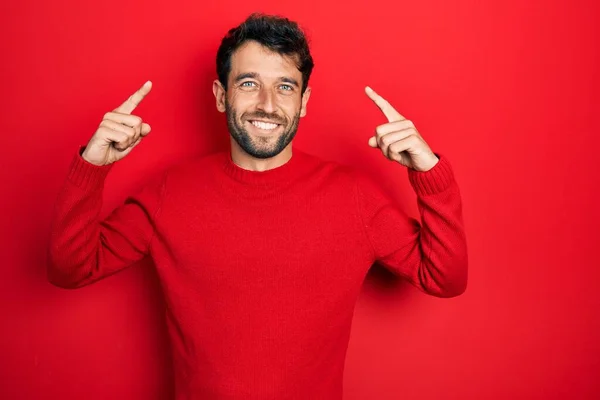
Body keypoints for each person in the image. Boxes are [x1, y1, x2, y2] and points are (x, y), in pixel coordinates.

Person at [47, 12, 468, 400]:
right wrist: (92, 166)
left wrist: (428, 173)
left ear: (302, 102)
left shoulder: (353, 195)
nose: (267, 103)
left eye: (285, 86)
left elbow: (444, 277)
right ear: (220, 94)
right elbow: (71, 267)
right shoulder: (169, 192)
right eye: (249, 83)